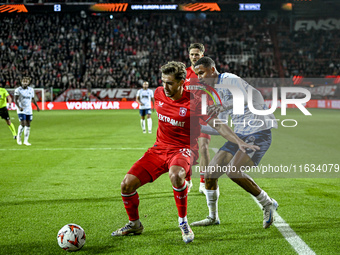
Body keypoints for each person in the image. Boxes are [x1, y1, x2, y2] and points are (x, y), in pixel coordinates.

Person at [111, 61, 259, 243]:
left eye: (170, 83)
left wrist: (239, 142)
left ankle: (183, 222)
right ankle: (135, 224)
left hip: (184, 150)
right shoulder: (158, 94)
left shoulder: (195, 103)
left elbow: (218, 125)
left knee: (175, 175)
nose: (164, 86)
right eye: (163, 81)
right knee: (126, 185)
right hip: (158, 149)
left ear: (181, 82)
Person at [191, 57, 279, 229]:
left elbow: (247, 97)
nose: (200, 77)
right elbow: (220, 126)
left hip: (258, 131)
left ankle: (268, 203)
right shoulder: (216, 92)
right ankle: (212, 217)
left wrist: (223, 106)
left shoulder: (229, 79)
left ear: (212, 69)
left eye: (201, 72)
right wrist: (197, 128)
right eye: (197, 74)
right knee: (210, 174)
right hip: (240, 134)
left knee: (233, 171)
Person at [184, 43, 210, 194]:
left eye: (197, 54)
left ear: (202, 55)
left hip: (203, 116)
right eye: (192, 54)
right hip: (187, 117)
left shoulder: (208, 73)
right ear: (189, 55)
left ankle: (203, 181)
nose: (194, 57)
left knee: (204, 147)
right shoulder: (184, 73)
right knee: (186, 150)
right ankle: (187, 180)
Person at [14, 76, 40, 146]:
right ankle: (19, 137)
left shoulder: (31, 90)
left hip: (29, 110)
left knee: (28, 124)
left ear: (28, 82)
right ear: (21, 82)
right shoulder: (18, 90)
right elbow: (15, 99)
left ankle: (26, 141)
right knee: (22, 124)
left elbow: (33, 99)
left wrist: (37, 106)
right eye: (24, 81)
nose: (25, 83)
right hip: (21, 110)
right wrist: (19, 107)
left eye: (26, 82)